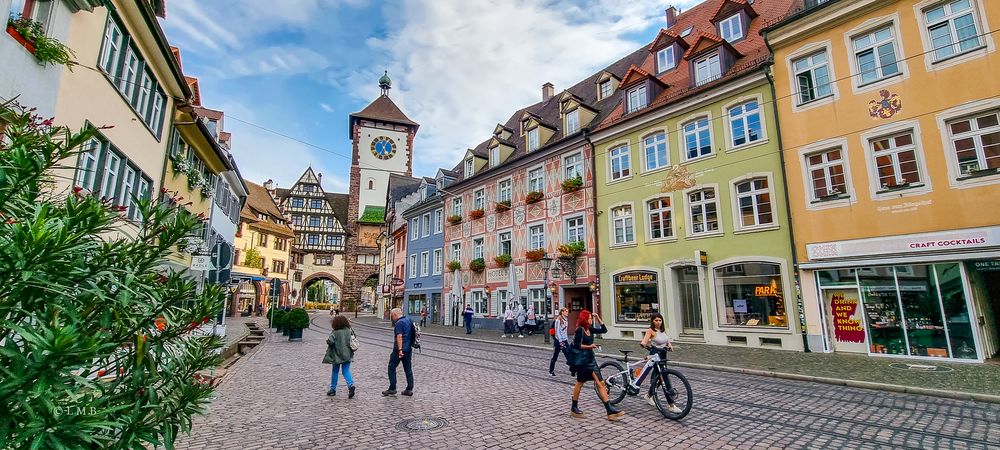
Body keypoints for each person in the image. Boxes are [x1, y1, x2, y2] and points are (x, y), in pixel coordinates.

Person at [569, 310, 622, 421]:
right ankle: (574, 407)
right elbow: (577, 346)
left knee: (600, 383)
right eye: (588, 318)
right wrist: (590, 346)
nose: (590, 319)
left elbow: (604, 330)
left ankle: (609, 410)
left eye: (591, 318)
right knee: (580, 383)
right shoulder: (580, 330)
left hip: (591, 360)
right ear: (584, 319)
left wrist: (598, 317)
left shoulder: (590, 329)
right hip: (583, 361)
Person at [639, 313, 682, 413]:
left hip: (663, 355)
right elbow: (645, 341)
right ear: (652, 321)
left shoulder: (662, 330)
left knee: (659, 377)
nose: (658, 322)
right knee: (665, 378)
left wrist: (670, 345)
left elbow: (666, 340)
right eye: (656, 320)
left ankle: (649, 395)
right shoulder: (650, 331)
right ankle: (671, 404)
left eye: (660, 320)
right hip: (655, 355)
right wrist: (644, 344)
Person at [382, 308, 415, 397]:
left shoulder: (399, 323)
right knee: (408, 369)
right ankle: (409, 389)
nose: (392, 318)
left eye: (392, 316)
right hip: (408, 349)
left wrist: (400, 350)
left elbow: (399, 336)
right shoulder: (409, 320)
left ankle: (392, 388)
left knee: (391, 367)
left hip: (399, 350)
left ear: (395, 315)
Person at [322, 315, 356, 398]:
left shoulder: (335, 332)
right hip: (348, 355)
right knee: (346, 371)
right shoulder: (349, 330)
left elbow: (330, 341)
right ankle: (351, 385)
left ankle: (333, 389)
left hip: (337, 355)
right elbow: (354, 338)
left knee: (335, 371)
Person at [549, 307, 574, 377]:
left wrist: (566, 340)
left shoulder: (566, 320)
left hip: (564, 340)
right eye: (566, 311)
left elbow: (565, 331)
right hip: (558, 341)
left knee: (569, 354)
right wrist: (560, 341)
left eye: (567, 311)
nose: (567, 313)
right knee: (555, 356)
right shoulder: (558, 320)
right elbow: (557, 332)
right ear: (562, 312)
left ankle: (573, 370)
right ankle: (551, 370)